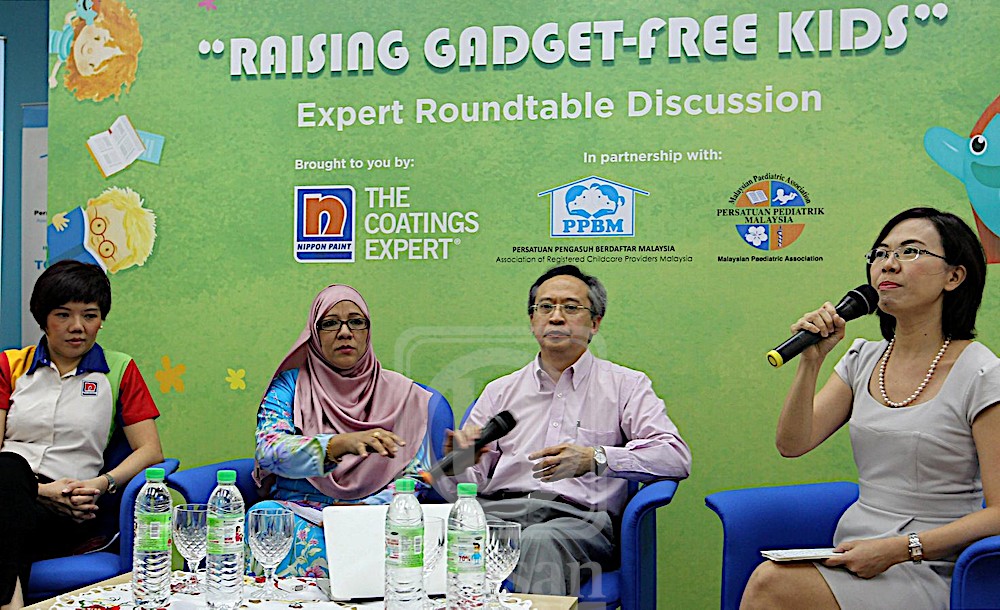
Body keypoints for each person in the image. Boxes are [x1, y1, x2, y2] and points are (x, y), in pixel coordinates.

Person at [742, 207, 1000, 610]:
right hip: (855, 552)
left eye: (910, 252)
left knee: (771, 585)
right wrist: (811, 361)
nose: (889, 264)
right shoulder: (862, 358)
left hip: (934, 564)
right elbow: (792, 444)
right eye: (880, 253)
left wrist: (901, 549)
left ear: (954, 276)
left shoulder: (983, 373)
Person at [439, 265, 691, 596]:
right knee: (431, 533)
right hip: (499, 514)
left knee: (540, 540)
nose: (556, 317)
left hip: (579, 521)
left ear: (595, 323)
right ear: (532, 320)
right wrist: (459, 463)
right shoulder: (499, 391)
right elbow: (471, 486)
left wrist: (594, 459)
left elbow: (674, 456)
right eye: (545, 307)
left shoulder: (625, 386)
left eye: (571, 308)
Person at [0, 260, 163, 610]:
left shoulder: (119, 369)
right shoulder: (10, 366)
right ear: (43, 318)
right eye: (63, 315)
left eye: (89, 315)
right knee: (9, 469)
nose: (77, 327)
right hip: (10, 488)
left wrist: (101, 484)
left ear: (101, 319)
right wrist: (41, 491)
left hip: (71, 508)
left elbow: (150, 451)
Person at [252, 284, 433, 578]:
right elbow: (268, 450)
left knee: (406, 534)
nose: (345, 332)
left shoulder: (404, 395)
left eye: (356, 322)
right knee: (266, 518)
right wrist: (335, 445)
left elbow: (418, 476)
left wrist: (363, 510)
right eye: (330, 323)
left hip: (373, 517)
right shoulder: (291, 385)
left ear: (367, 331)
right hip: (299, 512)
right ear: (314, 333)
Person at [49, 0, 143, 102]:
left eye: (92, 65)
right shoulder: (69, 30)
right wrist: (81, 12)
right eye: (97, 38)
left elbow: (58, 62)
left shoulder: (63, 54)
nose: (89, 51)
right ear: (100, 18)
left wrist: (53, 77)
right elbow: (68, 17)